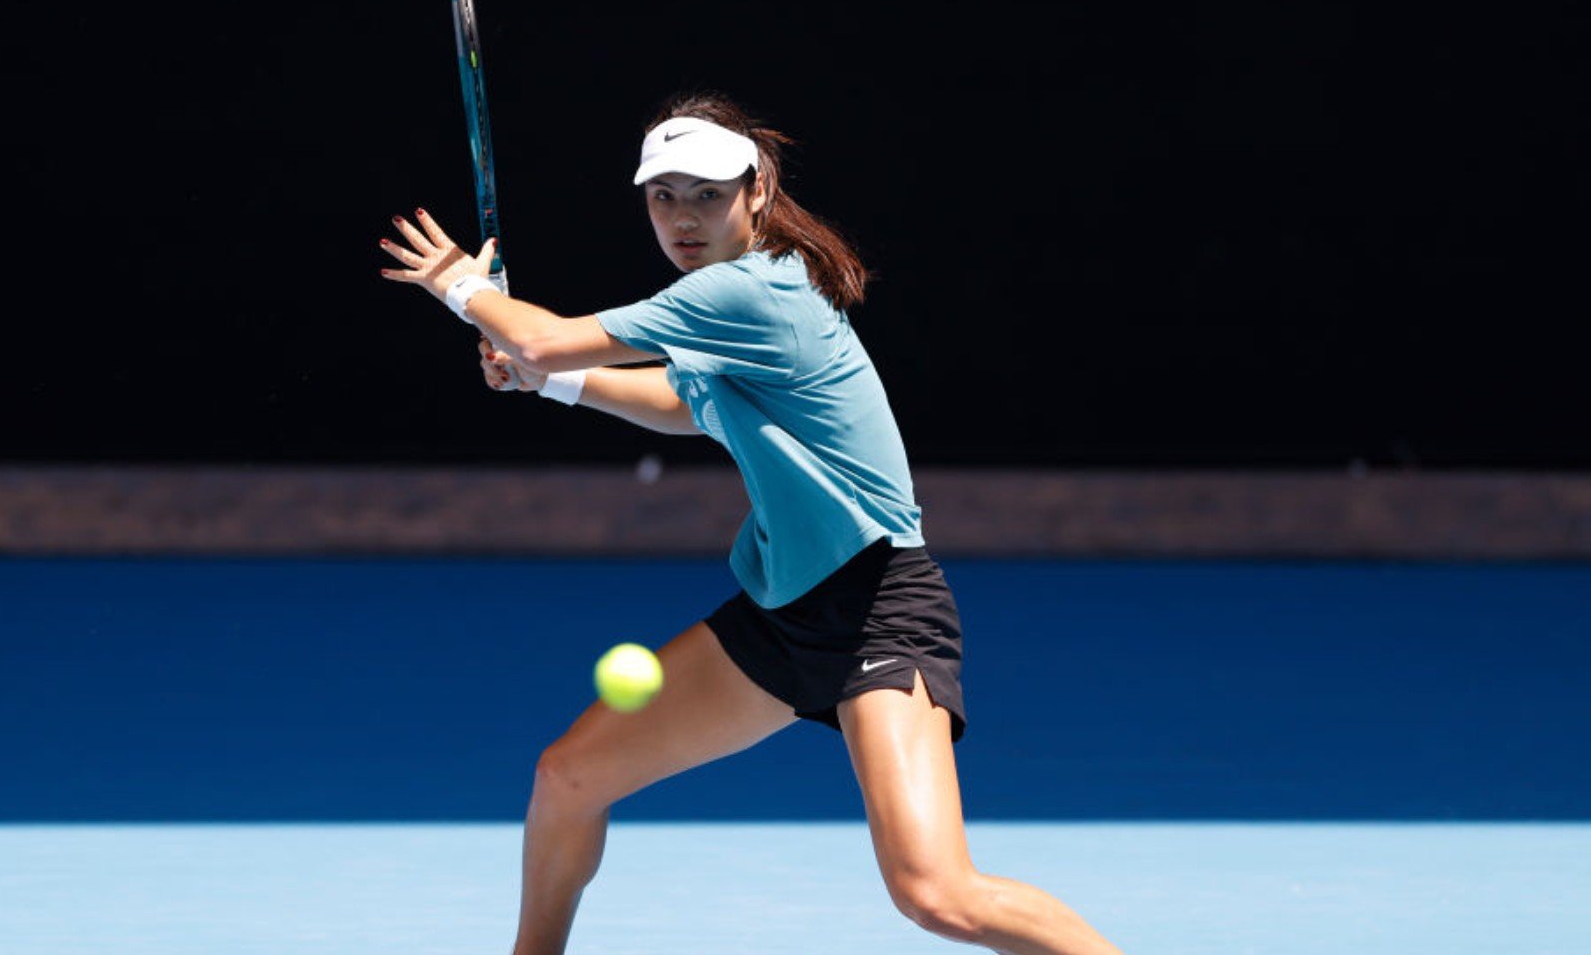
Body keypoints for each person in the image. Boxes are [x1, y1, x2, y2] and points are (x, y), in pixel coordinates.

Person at [379, 92, 1124, 955]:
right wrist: (542, 377)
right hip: (784, 616)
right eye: (665, 196)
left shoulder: (751, 291)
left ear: (757, 191)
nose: (684, 216)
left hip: (879, 607)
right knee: (569, 774)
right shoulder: (722, 304)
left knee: (935, 893)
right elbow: (678, 403)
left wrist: (464, 288)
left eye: (707, 193)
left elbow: (544, 338)